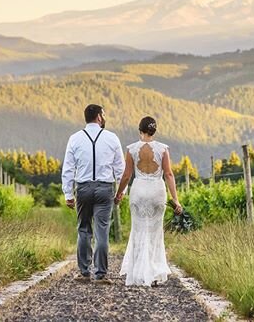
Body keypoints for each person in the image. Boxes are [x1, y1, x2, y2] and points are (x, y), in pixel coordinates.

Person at [115, 116, 183, 287]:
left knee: (138, 231)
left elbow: (126, 175)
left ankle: (138, 273)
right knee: (154, 232)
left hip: (138, 191)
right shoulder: (162, 149)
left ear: (140, 131)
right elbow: (168, 174)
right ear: (154, 131)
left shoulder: (132, 149)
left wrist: (119, 193)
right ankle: (152, 272)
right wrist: (175, 199)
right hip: (156, 191)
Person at [62, 104, 125, 283]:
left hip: (83, 188)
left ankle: (83, 273)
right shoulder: (112, 138)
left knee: (83, 229)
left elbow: (68, 168)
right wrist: (121, 191)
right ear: (99, 117)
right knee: (102, 231)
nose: (104, 117)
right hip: (105, 189)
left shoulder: (74, 139)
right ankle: (101, 274)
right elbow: (120, 168)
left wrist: (68, 193)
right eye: (103, 114)